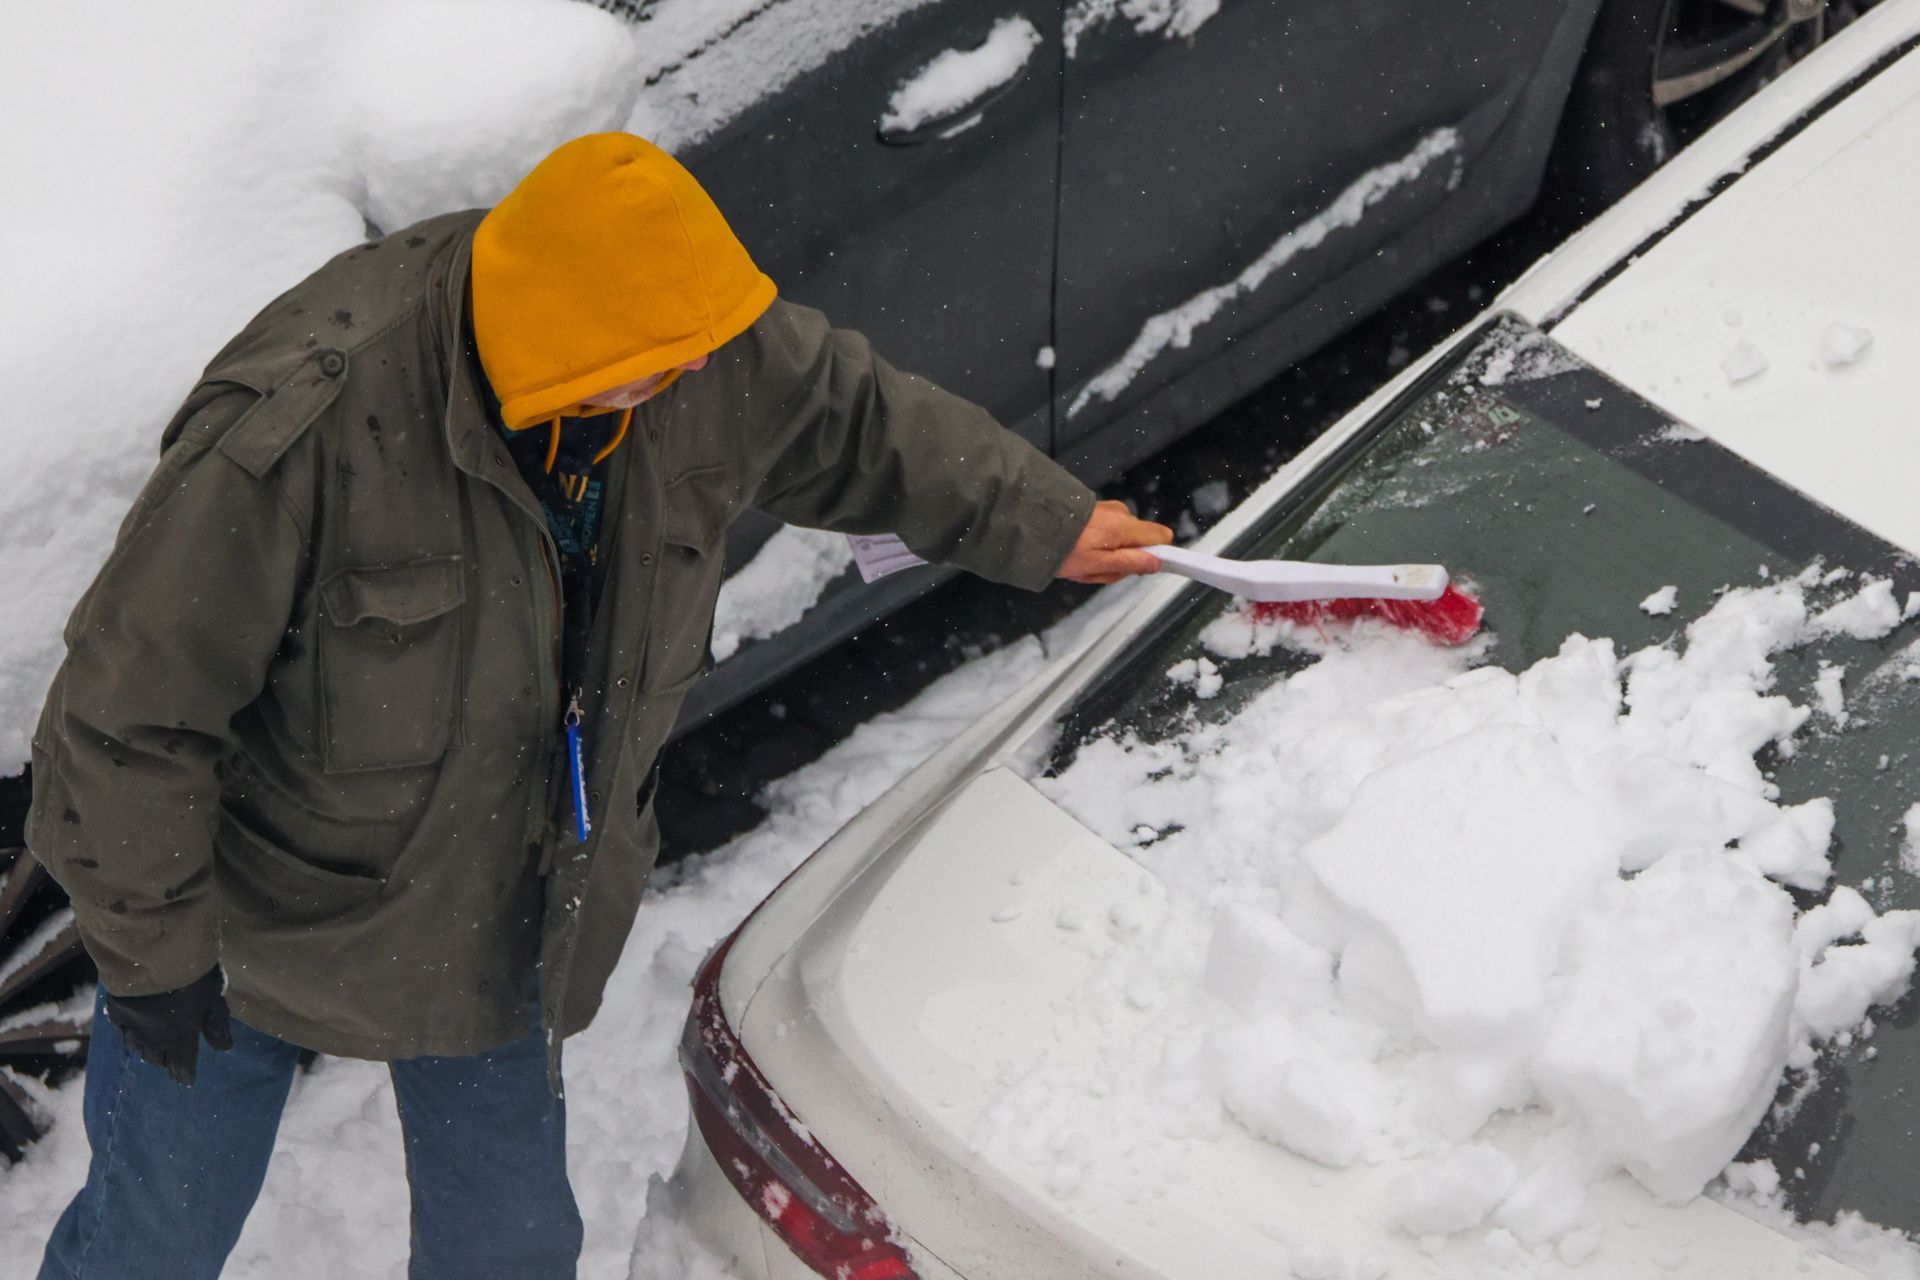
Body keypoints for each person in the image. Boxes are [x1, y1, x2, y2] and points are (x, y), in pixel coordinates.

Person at [26, 132, 1172, 1278]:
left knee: (513, 1249)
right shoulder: (305, 429)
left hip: (499, 908)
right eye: (645, 373)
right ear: (549, 344)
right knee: (153, 1236)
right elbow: (128, 717)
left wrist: (1043, 518)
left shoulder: (678, 349)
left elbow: (856, 421)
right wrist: (156, 957)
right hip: (251, 926)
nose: (682, 386)